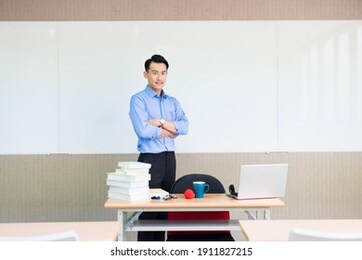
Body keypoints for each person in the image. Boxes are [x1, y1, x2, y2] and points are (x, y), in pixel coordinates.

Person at [129, 54, 189, 241]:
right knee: (148, 214)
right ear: (145, 74)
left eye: (163, 73)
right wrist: (171, 129)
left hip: (169, 158)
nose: (159, 77)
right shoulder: (138, 100)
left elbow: (185, 127)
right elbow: (144, 131)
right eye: (154, 73)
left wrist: (161, 122)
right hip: (149, 160)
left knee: (164, 212)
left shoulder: (172, 101)